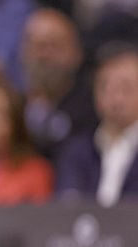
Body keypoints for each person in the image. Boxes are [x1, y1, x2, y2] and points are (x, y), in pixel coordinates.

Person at [57, 42, 138, 207]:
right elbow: (65, 205)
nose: (117, 100)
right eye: (107, 89)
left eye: (127, 88)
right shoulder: (77, 150)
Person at [21, 8, 98, 161]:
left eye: (53, 46)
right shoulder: (14, 105)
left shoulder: (94, 109)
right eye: (36, 46)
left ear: (76, 53)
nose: (43, 56)